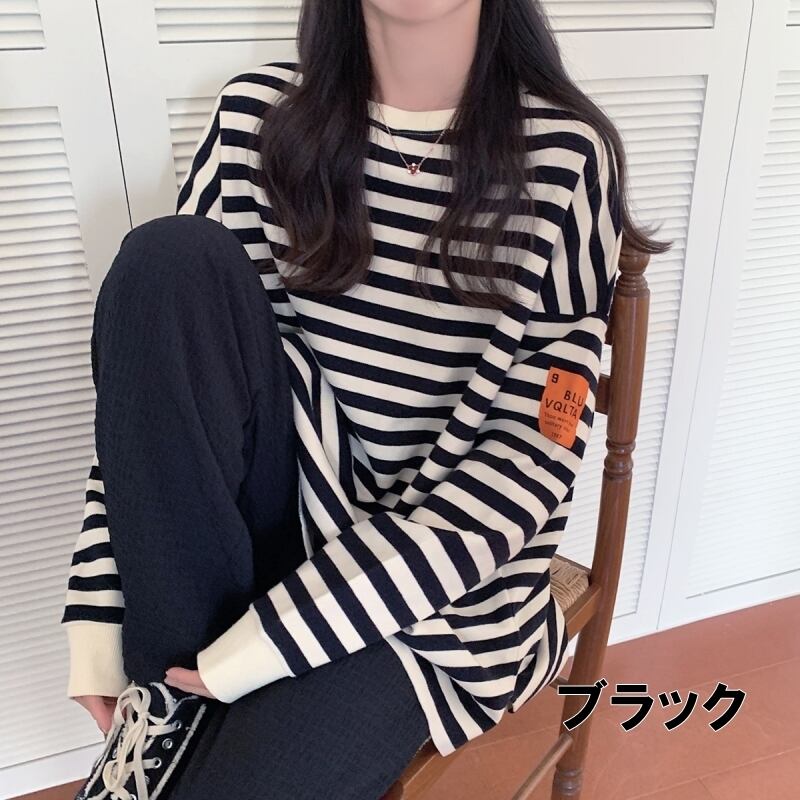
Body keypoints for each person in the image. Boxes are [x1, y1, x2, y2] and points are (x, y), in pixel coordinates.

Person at [60, 1, 669, 799]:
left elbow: (525, 470)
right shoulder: (255, 120)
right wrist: (103, 616)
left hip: (432, 602)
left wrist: (263, 647)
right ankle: (166, 700)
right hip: (264, 540)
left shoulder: (562, 159)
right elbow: (155, 403)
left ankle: (174, 729)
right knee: (163, 263)